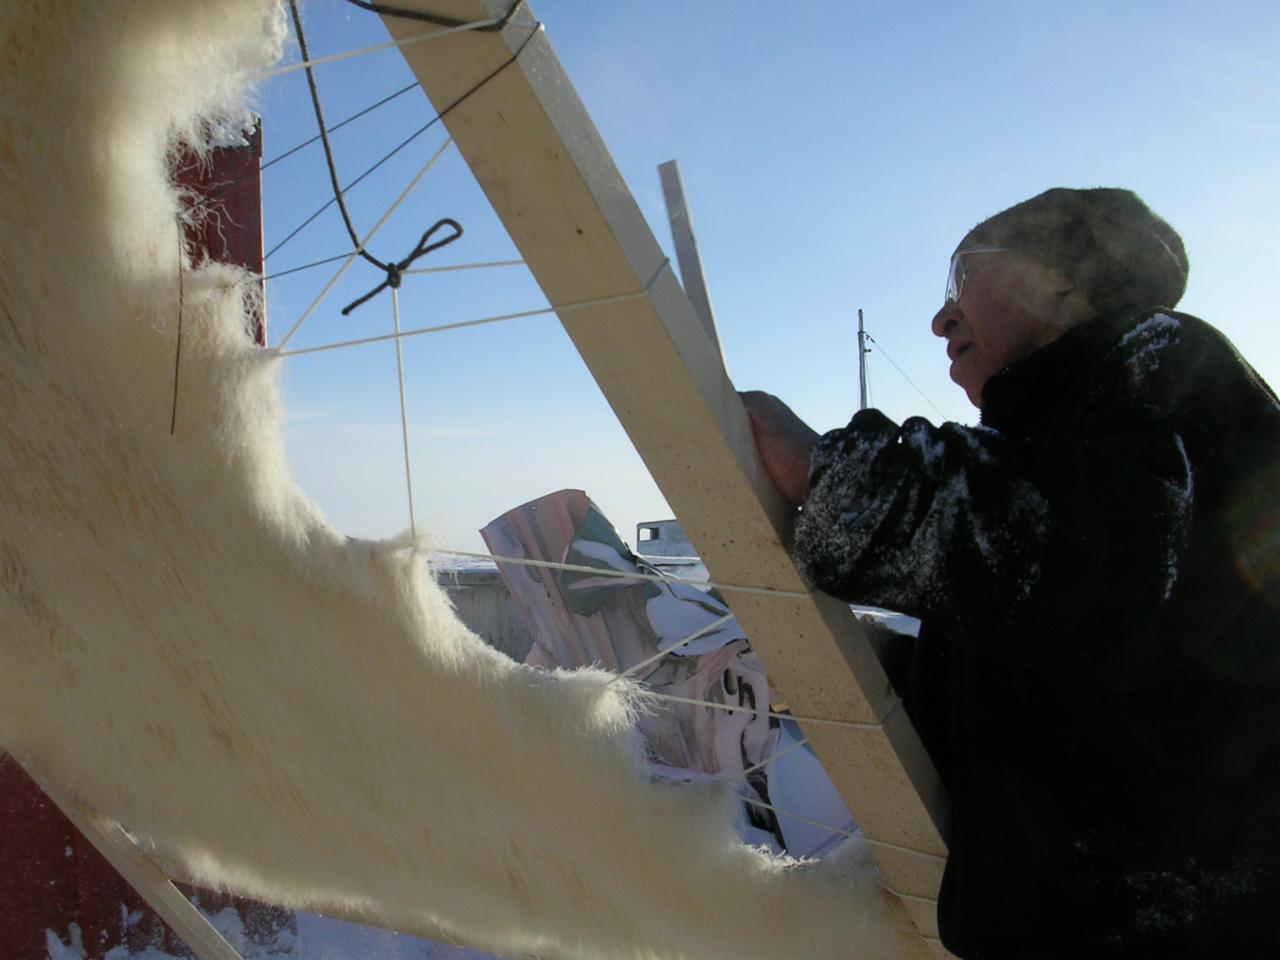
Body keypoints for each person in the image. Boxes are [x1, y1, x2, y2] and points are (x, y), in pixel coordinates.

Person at [742, 187, 1279, 959]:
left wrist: (832, 473)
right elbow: (1043, 673)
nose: (941, 318)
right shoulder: (1062, 439)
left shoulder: (1168, 361)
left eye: (963, 275)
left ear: (1061, 277)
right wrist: (871, 663)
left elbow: (1107, 563)